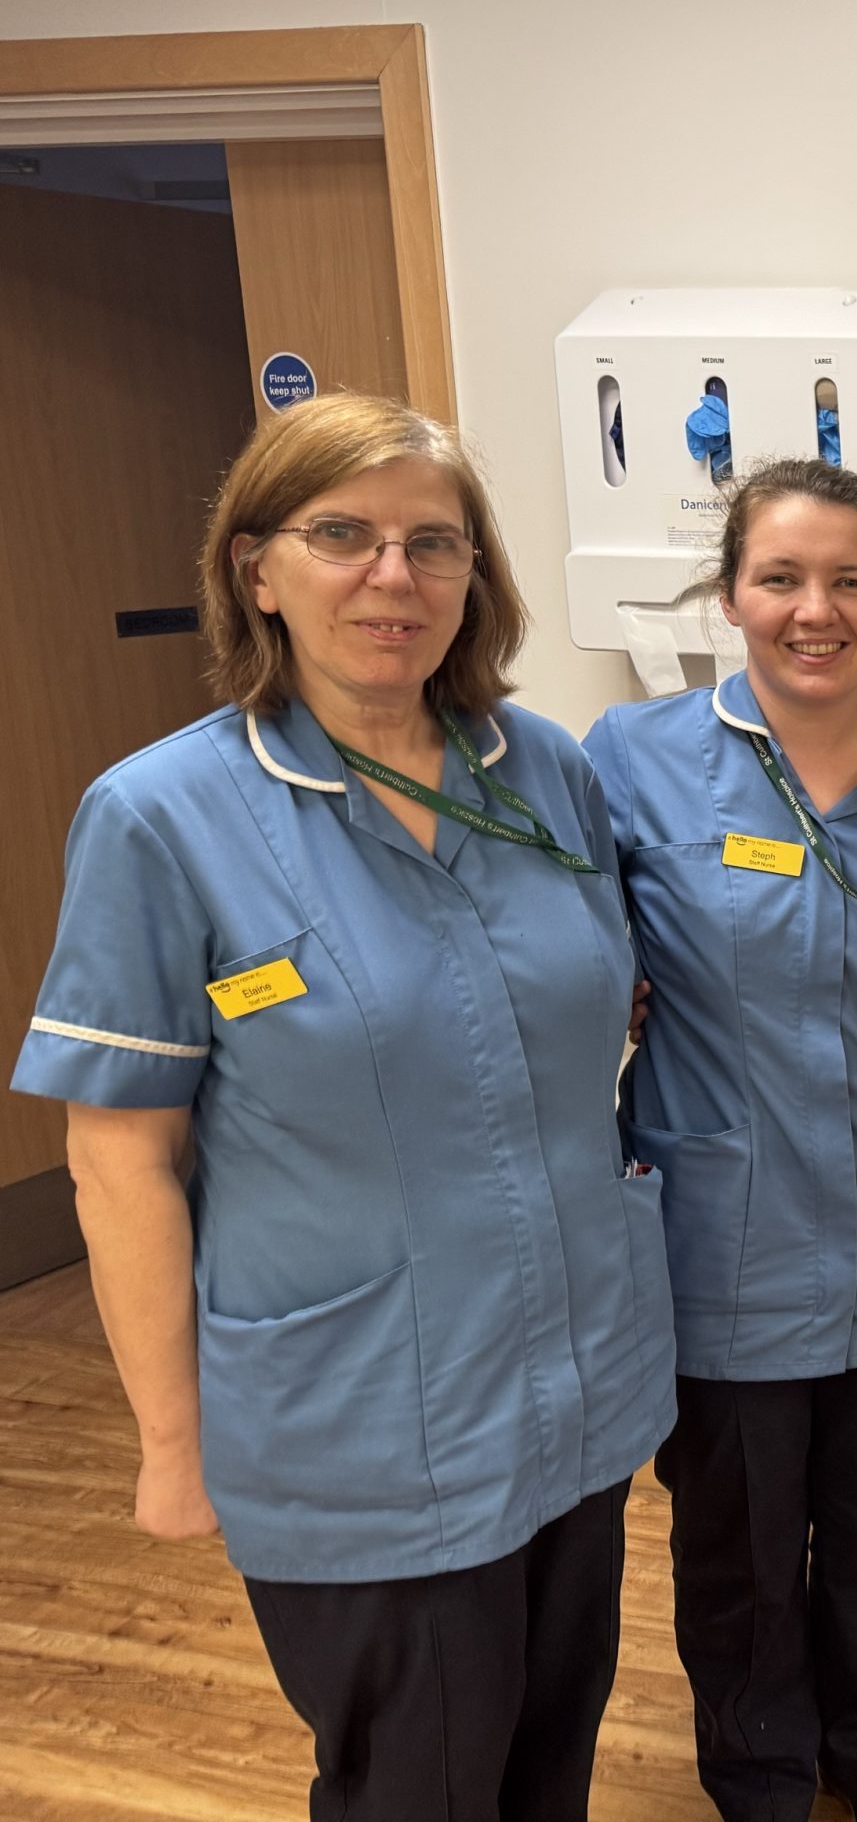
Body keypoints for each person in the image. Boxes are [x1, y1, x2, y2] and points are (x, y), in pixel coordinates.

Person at [11, 394, 675, 1822]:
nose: (394, 576)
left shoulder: (545, 771)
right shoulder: (161, 817)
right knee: (414, 1786)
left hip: (574, 1382)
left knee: (551, 1759)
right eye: (343, 536)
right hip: (362, 1420)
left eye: (433, 543)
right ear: (257, 569)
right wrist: (174, 1446)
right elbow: (117, 1160)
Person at [584, 459, 857, 1822]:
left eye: (849, 581)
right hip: (721, 1244)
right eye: (779, 578)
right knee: (739, 1549)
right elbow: (551, 951)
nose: (813, 610)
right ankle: (762, 1776)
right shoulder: (629, 763)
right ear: (730, 596)